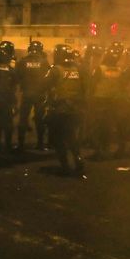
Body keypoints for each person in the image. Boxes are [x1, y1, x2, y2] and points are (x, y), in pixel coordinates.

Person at [44, 45, 87, 174]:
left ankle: (65, 165)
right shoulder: (79, 69)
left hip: (60, 108)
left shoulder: (55, 70)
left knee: (58, 138)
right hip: (76, 109)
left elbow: (44, 84)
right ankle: (78, 158)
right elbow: (84, 88)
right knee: (71, 135)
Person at [89, 45, 124, 159]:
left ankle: (99, 151)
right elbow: (122, 85)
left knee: (97, 125)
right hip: (114, 100)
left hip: (100, 99)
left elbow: (93, 83)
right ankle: (106, 148)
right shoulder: (119, 70)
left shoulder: (100, 68)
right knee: (108, 125)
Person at [16, 40, 50, 151]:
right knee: (39, 119)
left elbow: (18, 76)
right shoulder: (44, 62)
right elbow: (48, 78)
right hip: (39, 94)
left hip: (27, 93)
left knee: (23, 119)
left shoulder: (23, 61)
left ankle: (20, 144)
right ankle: (40, 143)